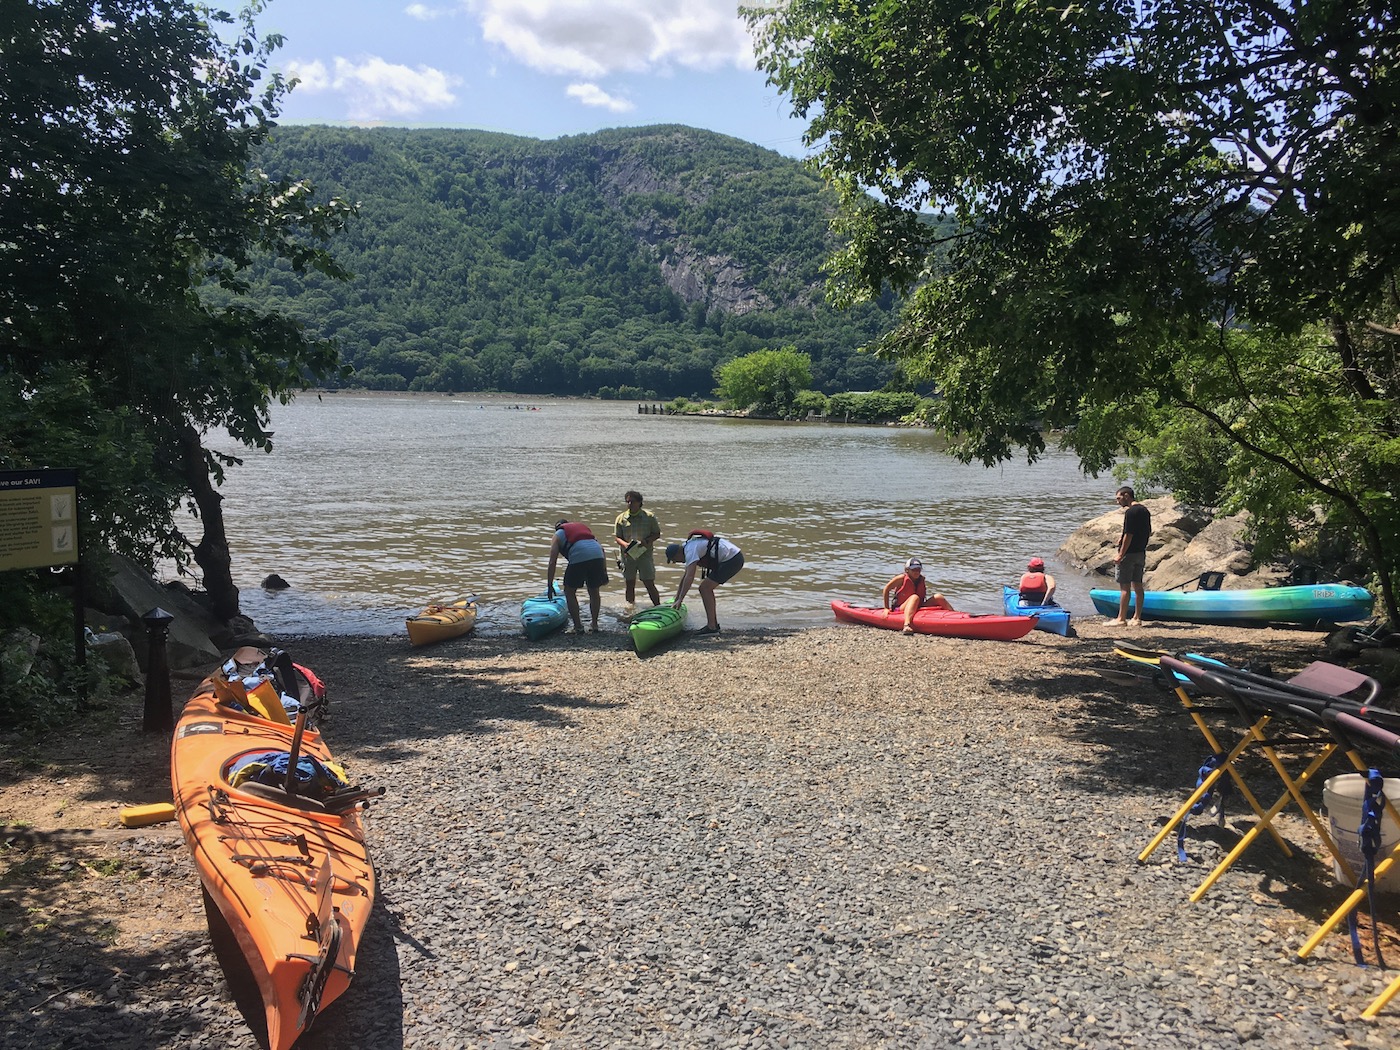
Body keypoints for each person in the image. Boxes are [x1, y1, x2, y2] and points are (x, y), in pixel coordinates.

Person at [665, 530, 744, 635]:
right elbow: (685, 577)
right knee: (705, 588)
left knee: (705, 588)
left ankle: (712, 627)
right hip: (732, 557)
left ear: (678, 553)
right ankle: (713, 625)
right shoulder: (688, 547)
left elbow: (690, 577)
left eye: (674, 559)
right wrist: (676, 598)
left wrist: (680, 599)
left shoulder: (690, 550)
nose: (675, 562)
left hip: (732, 559)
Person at [546, 519, 608, 633]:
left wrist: (550, 584)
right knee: (594, 591)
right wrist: (604, 570)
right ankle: (594, 624)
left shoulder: (558, 534)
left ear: (558, 527)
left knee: (569, 591)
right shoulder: (582, 528)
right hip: (598, 555)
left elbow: (552, 561)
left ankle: (578, 626)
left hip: (580, 555)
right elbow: (602, 549)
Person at [881, 558, 954, 635]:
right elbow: (886, 589)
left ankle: (955, 617)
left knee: (938, 597)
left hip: (919, 605)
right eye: (914, 570)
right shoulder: (901, 578)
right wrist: (886, 608)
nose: (916, 572)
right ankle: (906, 625)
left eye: (918, 570)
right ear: (907, 570)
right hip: (901, 608)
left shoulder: (921, 579)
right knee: (914, 597)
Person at [614, 490, 662, 606]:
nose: (630, 504)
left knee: (648, 582)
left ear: (640, 502)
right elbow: (617, 537)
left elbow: (657, 534)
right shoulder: (621, 518)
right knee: (629, 584)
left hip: (644, 554)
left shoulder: (649, 517)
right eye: (628, 501)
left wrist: (647, 541)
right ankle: (630, 608)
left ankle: (658, 606)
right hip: (628, 555)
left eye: (633, 501)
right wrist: (625, 544)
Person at [1112, 486, 1151, 626]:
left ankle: (1121, 619)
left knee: (1125, 587)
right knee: (1138, 586)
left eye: (1119, 498)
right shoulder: (1144, 510)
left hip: (1129, 554)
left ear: (1127, 496)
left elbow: (1129, 534)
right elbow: (1145, 531)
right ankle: (1137, 618)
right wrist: (1121, 538)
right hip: (1140, 552)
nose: (1118, 502)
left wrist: (1120, 554)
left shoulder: (1131, 512)